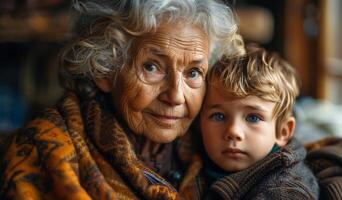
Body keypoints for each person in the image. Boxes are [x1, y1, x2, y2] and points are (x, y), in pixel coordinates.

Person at [0, 0, 245, 199]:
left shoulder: (220, 146)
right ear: (105, 70)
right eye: (151, 67)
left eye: (193, 73)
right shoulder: (41, 150)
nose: (175, 96)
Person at [184, 46, 319, 199]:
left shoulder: (284, 190)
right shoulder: (189, 152)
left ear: (283, 132)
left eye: (253, 118)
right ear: (199, 122)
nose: (233, 131)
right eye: (219, 116)